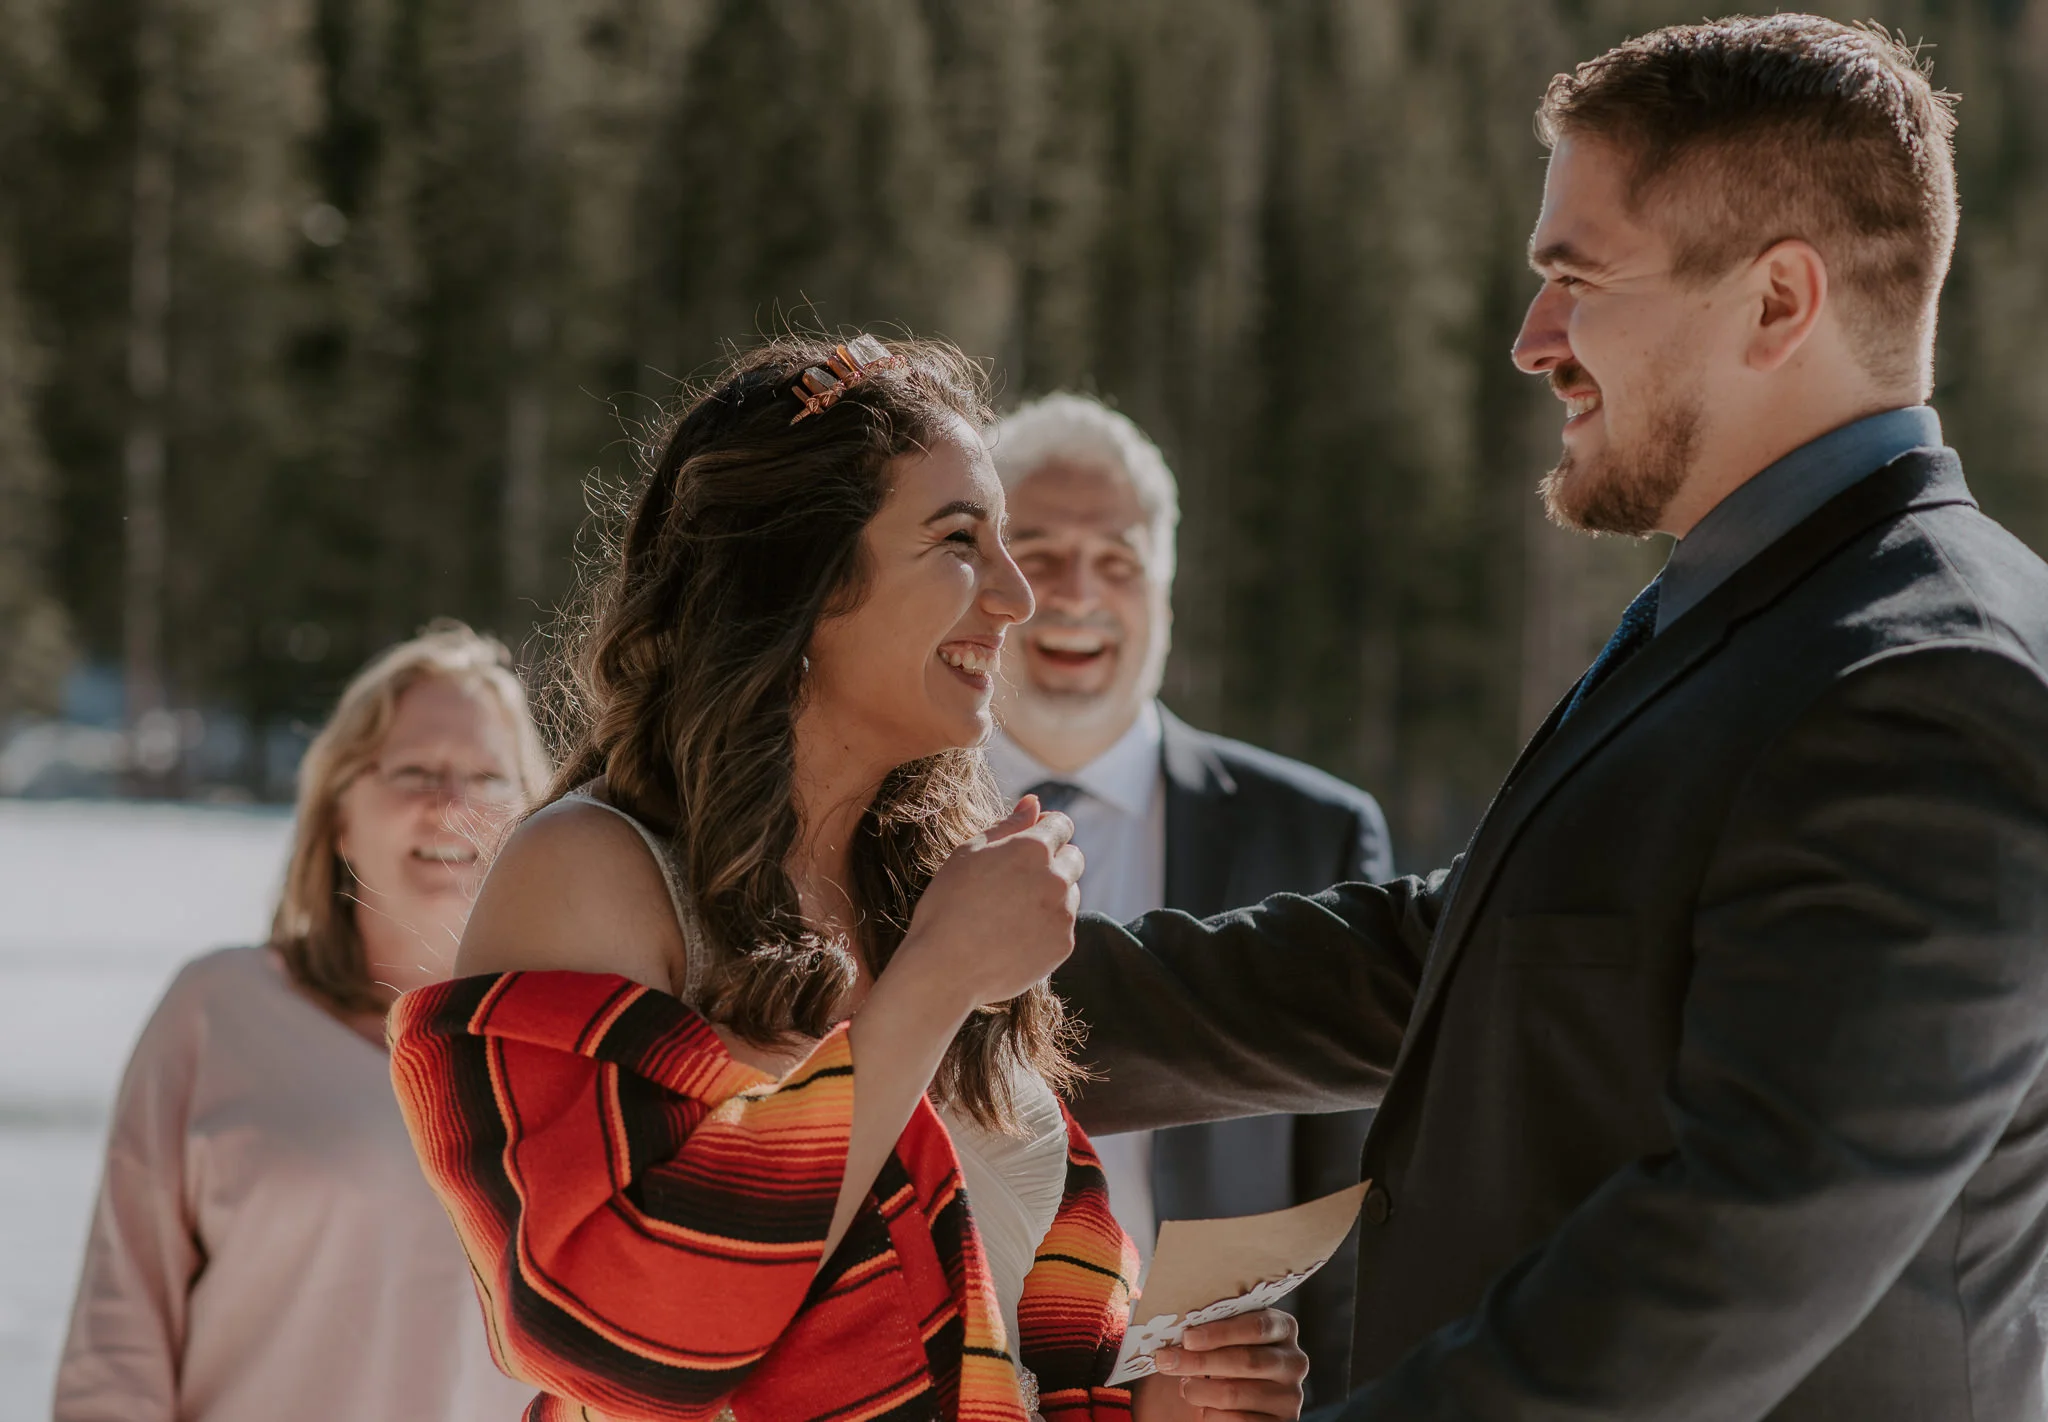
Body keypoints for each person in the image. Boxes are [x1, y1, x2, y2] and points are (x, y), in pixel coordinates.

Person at [1040, 17, 2048, 1419]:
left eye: (1575, 279)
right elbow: (1466, 961)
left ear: (1778, 301)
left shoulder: (1937, 684)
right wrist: (972, 1003)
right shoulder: (1737, 610)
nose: (1531, 343)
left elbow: (1735, 1251)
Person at [386, 334, 1309, 1422]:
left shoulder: (927, 892)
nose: (1017, 598)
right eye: (962, 541)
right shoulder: (597, 875)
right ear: (804, 582)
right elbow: (615, 1329)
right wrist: (934, 980)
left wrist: (1164, 1402)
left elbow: (1013, 1346)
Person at [985, 392, 1392, 1401]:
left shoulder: (1314, 835)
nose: (1076, 589)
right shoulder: (869, 821)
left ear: (1163, 594)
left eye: (1116, 561)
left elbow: (1364, 1201)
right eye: (1035, 552)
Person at [54, 621, 551, 1422]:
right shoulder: (219, 1011)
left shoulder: (577, 1044)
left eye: (489, 778)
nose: (451, 805)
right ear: (341, 816)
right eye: (415, 770)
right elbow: (119, 1335)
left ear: (535, 822)